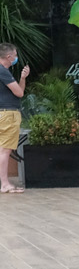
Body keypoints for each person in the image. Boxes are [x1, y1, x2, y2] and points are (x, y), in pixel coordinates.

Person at [0, 44, 29, 193]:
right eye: (15, 55)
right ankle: (4, 184)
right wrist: (21, 80)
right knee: (5, 150)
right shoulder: (3, 72)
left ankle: (4, 182)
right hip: (8, 113)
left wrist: (22, 78)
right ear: (9, 57)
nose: (16, 58)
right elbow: (19, 93)